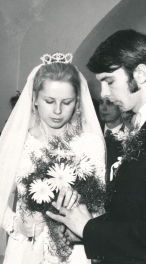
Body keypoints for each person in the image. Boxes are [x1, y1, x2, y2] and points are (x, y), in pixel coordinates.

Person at [47, 30, 146, 264]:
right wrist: (84, 232)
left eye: (109, 81)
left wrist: (90, 229)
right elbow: (137, 214)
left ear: (140, 73)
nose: (104, 94)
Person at [0, 53, 105, 264]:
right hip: (26, 248)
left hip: (73, 249)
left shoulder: (90, 143)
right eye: (49, 101)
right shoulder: (18, 141)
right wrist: (17, 224)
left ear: (77, 102)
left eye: (67, 102)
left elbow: (101, 204)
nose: (57, 111)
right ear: (35, 99)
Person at [98, 97, 124, 183]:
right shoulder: (93, 131)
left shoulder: (130, 135)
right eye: (101, 102)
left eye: (110, 103)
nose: (103, 108)